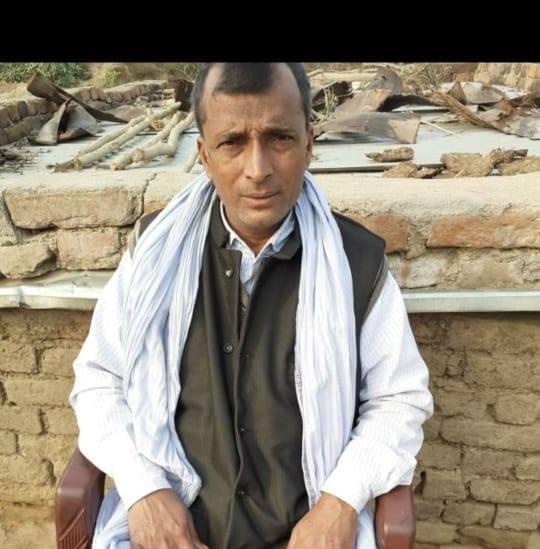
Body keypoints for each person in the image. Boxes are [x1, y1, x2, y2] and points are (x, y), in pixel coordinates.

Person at [70, 62, 433, 549]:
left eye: (279, 138)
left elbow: (399, 399)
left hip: (305, 531)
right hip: (175, 529)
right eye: (233, 142)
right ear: (204, 154)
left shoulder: (355, 262)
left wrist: (340, 502)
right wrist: (144, 489)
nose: (257, 169)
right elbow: (100, 380)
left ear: (309, 143)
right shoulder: (155, 253)